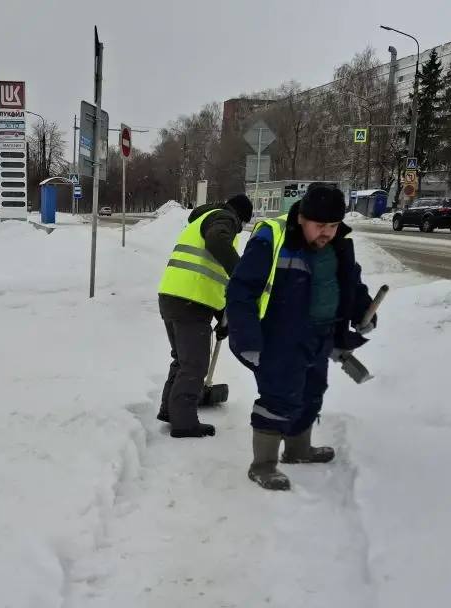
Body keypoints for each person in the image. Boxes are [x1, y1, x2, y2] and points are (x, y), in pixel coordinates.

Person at [226, 183, 377, 489]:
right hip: (279, 337)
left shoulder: (338, 246)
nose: (327, 232)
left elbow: (351, 285)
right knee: (278, 398)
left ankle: (298, 450)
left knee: (312, 391)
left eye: (333, 225)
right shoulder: (273, 238)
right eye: (320, 225)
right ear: (301, 219)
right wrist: (248, 340)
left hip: (321, 335)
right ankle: (263, 464)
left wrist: (364, 314)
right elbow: (240, 290)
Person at [157, 194, 254, 438]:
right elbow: (216, 241)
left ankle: (171, 410)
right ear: (240, 217)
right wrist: (241, 273)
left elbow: (210, 277)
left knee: (182, 360)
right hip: (190, 302)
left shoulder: (203, 219)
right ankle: (184, 422)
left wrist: (223, 315)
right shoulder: (225, 218)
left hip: (173, 296)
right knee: (194, 364)